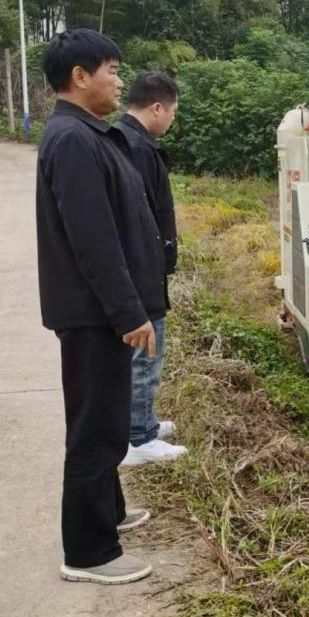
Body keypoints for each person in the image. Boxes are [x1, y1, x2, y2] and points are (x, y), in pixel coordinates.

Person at [36, 29, 163, 586]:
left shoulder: (87, 134)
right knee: (95, 428)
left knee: (106, 418)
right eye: (111, 69)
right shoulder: (73, 141)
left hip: (99, 312)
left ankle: (109, 511)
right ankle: (88, 553)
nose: (118, 80)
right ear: (79, 76)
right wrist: (129, 312)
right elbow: (94, 240)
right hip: (94, 314)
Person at [113, 72, 187, 467]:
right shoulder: (138, 150)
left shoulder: (127, 140)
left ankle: (143, 422)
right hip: (141, 268)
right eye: (172, 111)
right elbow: (139, 217)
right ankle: (139, 440)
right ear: (157, 107)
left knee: (144, 353)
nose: (172, 119)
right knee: (147, 353)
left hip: (143, 265)